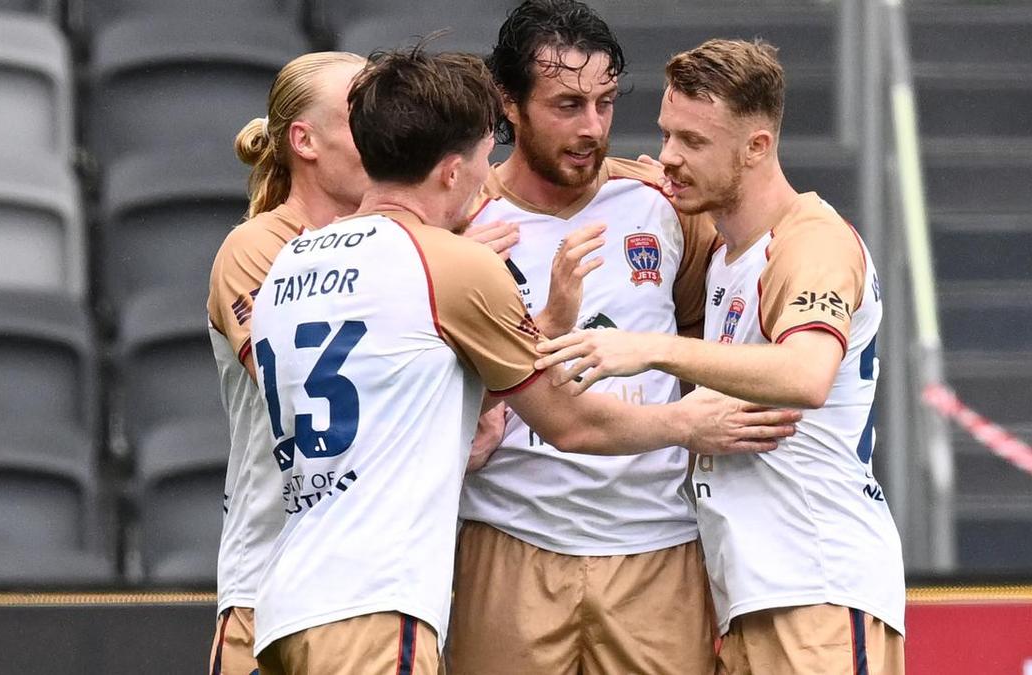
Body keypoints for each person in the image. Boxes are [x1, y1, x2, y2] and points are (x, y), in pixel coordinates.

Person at [247, 45, 787, 675]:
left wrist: (544, 328)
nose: (489, 174)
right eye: (484, 157)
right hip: (375, 598)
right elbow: (569, 423)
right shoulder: (452, 262)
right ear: (452, 171)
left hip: (290, 596)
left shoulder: (295, 260)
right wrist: (690, 424)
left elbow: (400, 385)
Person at [536, 39, 907, 675]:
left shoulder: (810, 242)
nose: (669, 157)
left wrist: (653, 351)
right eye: (666, 134)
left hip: (818, 589)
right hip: (753, 595)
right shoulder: (725, 251)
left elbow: (807, 374)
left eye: (693, 142)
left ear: (757, 147)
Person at [450, 3, 799, 674]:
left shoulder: (661, 205)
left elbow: (703, 333)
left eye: (605, 102)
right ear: (509, 104)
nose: (592, 127)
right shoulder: (463, 222)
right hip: (508, 539)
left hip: (657, 549)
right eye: (567, 105)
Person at [205, 50, 369, 675]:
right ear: (304, 140)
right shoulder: (255, 247)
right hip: (269, 583)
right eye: (360, 117)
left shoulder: (410, 246)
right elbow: (303, 391)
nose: (385, 130)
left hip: (379, 587)